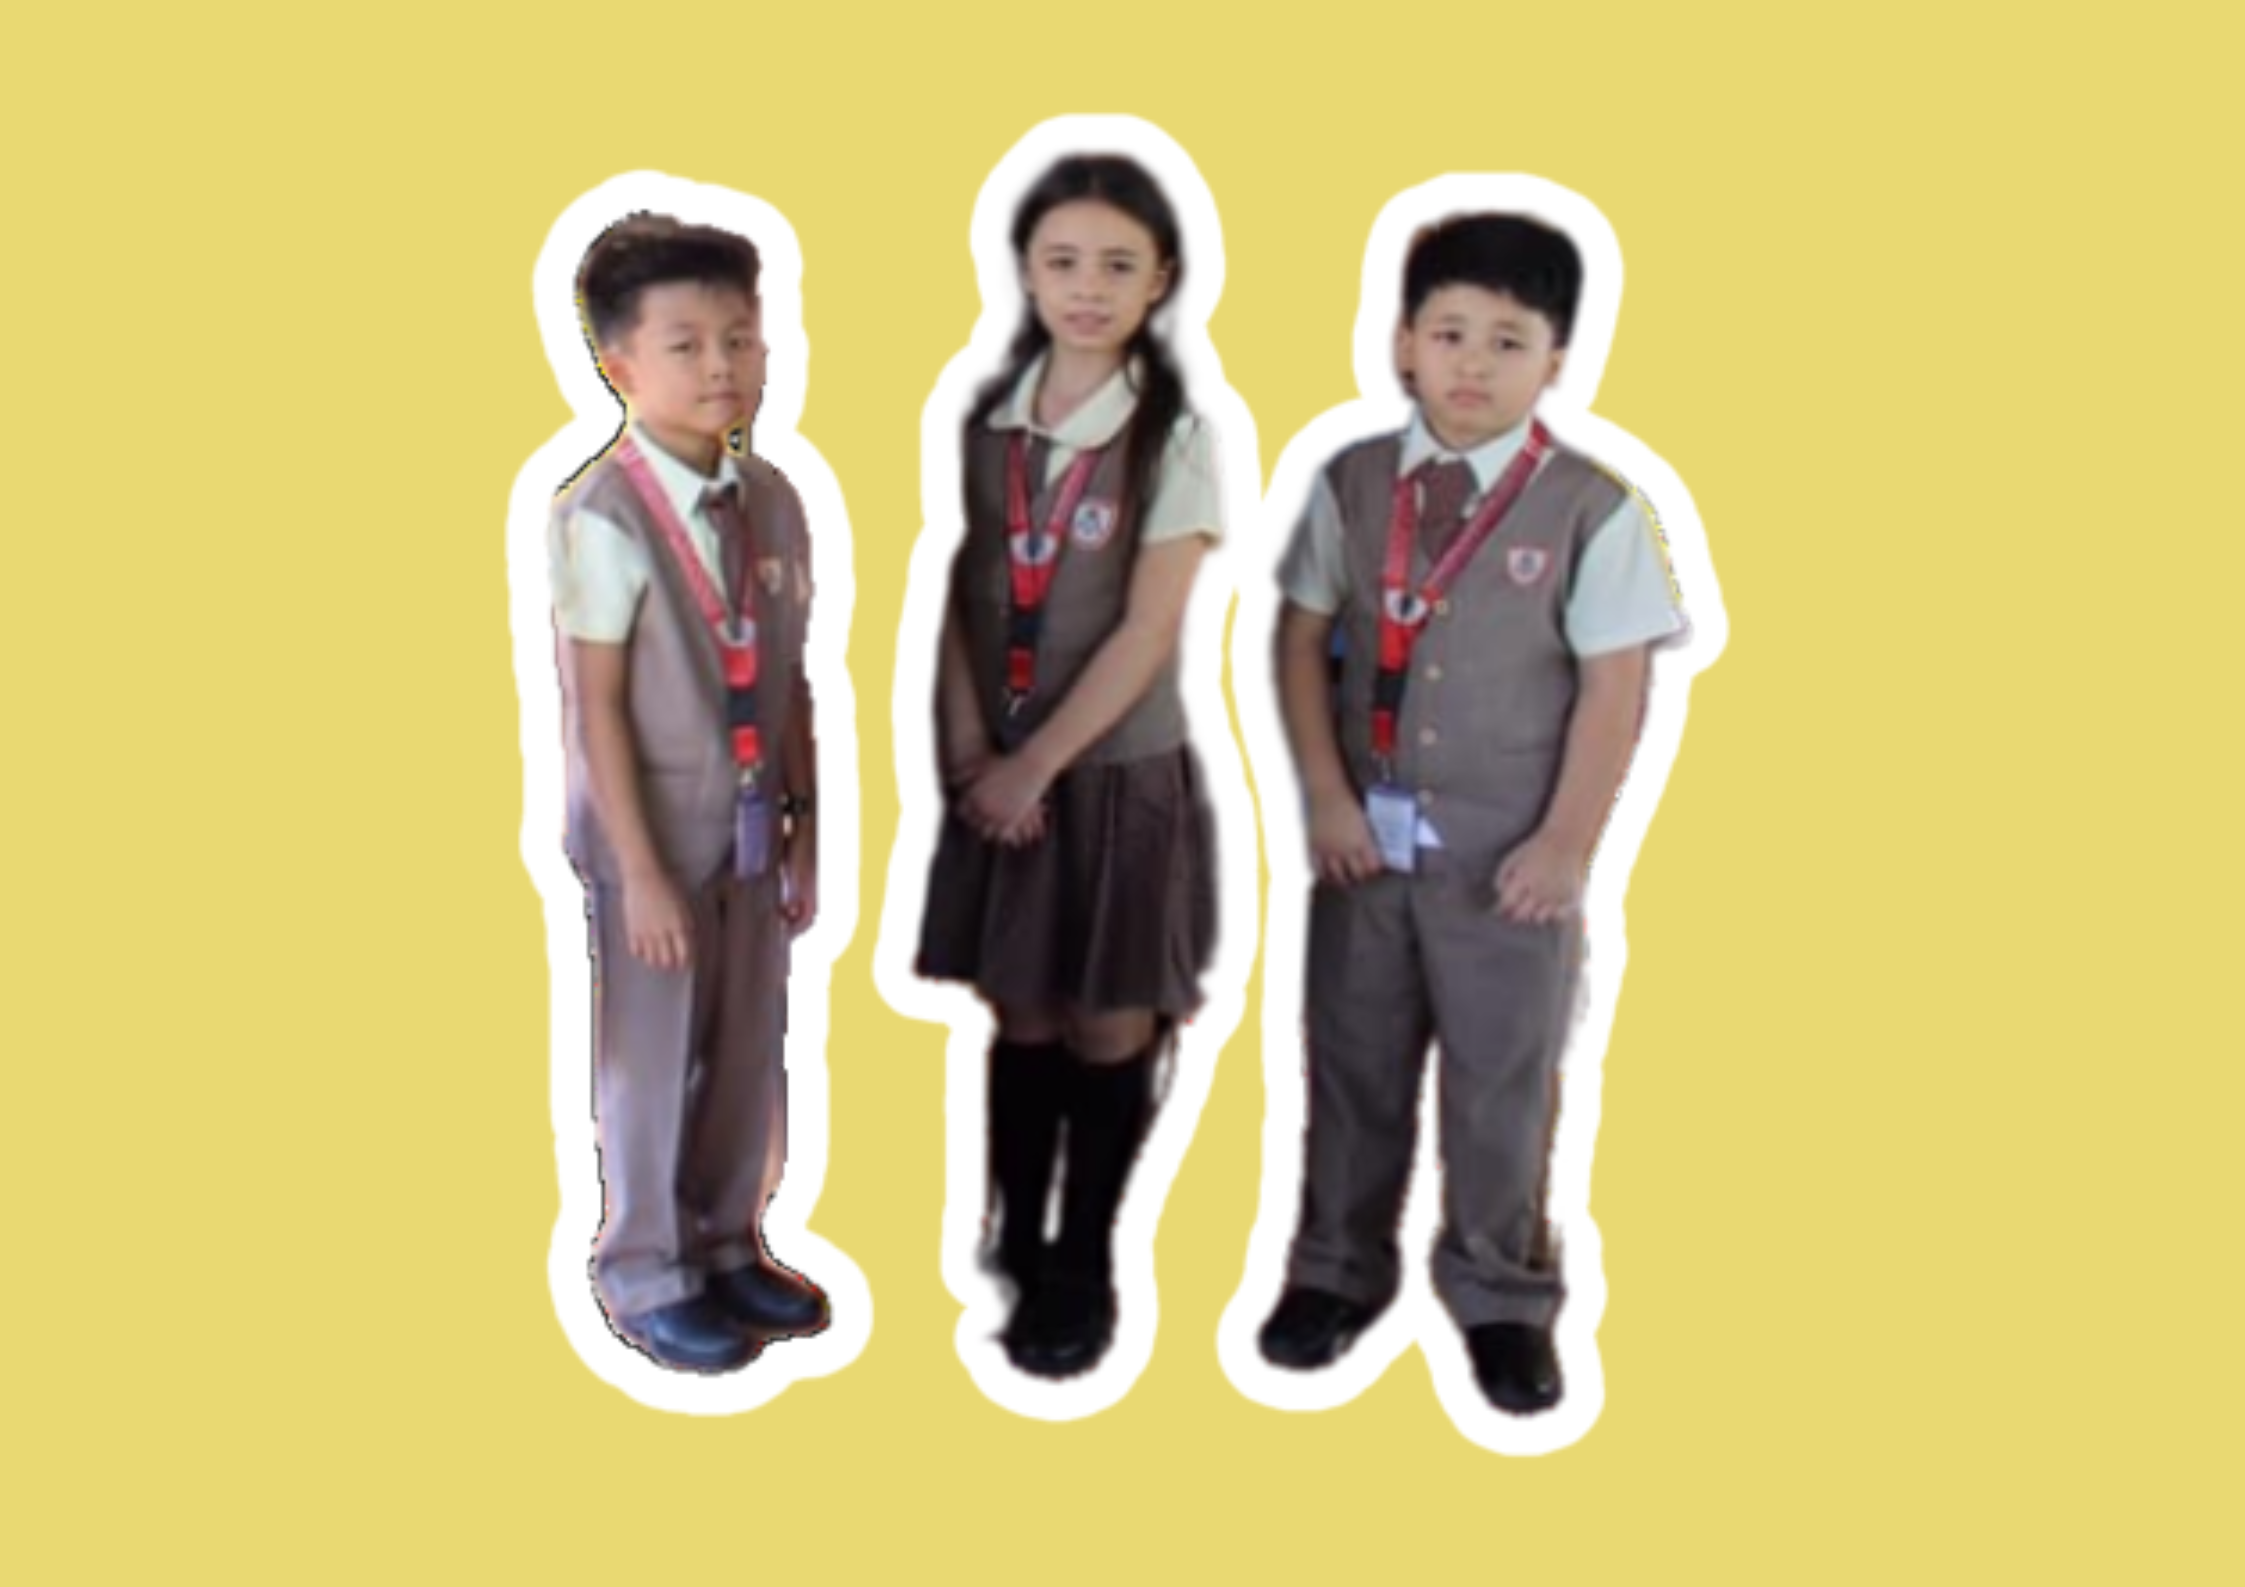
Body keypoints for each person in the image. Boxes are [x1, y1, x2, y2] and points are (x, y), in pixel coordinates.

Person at [1257, 213, 1681, 1413]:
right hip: (1361, 858)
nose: (1472, 363)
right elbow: (1298, 640)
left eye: (1509, 340)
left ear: (1557, 361)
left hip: (1510, 867)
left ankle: (1502, 1297)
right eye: (1448, 333)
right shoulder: (1350, 481)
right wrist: (1325, 798)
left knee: (1504, 1084)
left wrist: (1565, 844)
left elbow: (1616, 685)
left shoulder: (1594, 508)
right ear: (1400, 343)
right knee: (1350, 1069)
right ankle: (1334, 1275)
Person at [916, 154, 1224, 1380]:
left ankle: (1083, 1259)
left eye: (1115, 264)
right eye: (1061, 262)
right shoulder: (980, 419)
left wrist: (1033, 764)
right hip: (991, 776)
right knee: (1021, 1008)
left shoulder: (1176, 437)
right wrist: (965, 753)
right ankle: (1012, 1228)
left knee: (1106, 1019)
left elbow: (1148, 631)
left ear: (1160, 281)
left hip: (1101, 778)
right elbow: (950, 593)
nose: (1085, 288)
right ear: (1024, 274)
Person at [548, 215, 827, 1373]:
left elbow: (794, 675)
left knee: (748, 1043)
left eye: (740, 338)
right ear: (618, 362)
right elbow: (595, 707)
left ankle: (725, 1239)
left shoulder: (771, 499)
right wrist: (645, 870)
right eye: (684, 343)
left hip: (756, 831)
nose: (721, 366)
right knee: (655, 1055)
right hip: (650, 834)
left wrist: (808, 825)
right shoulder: (598, 516)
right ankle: (648, 1269)